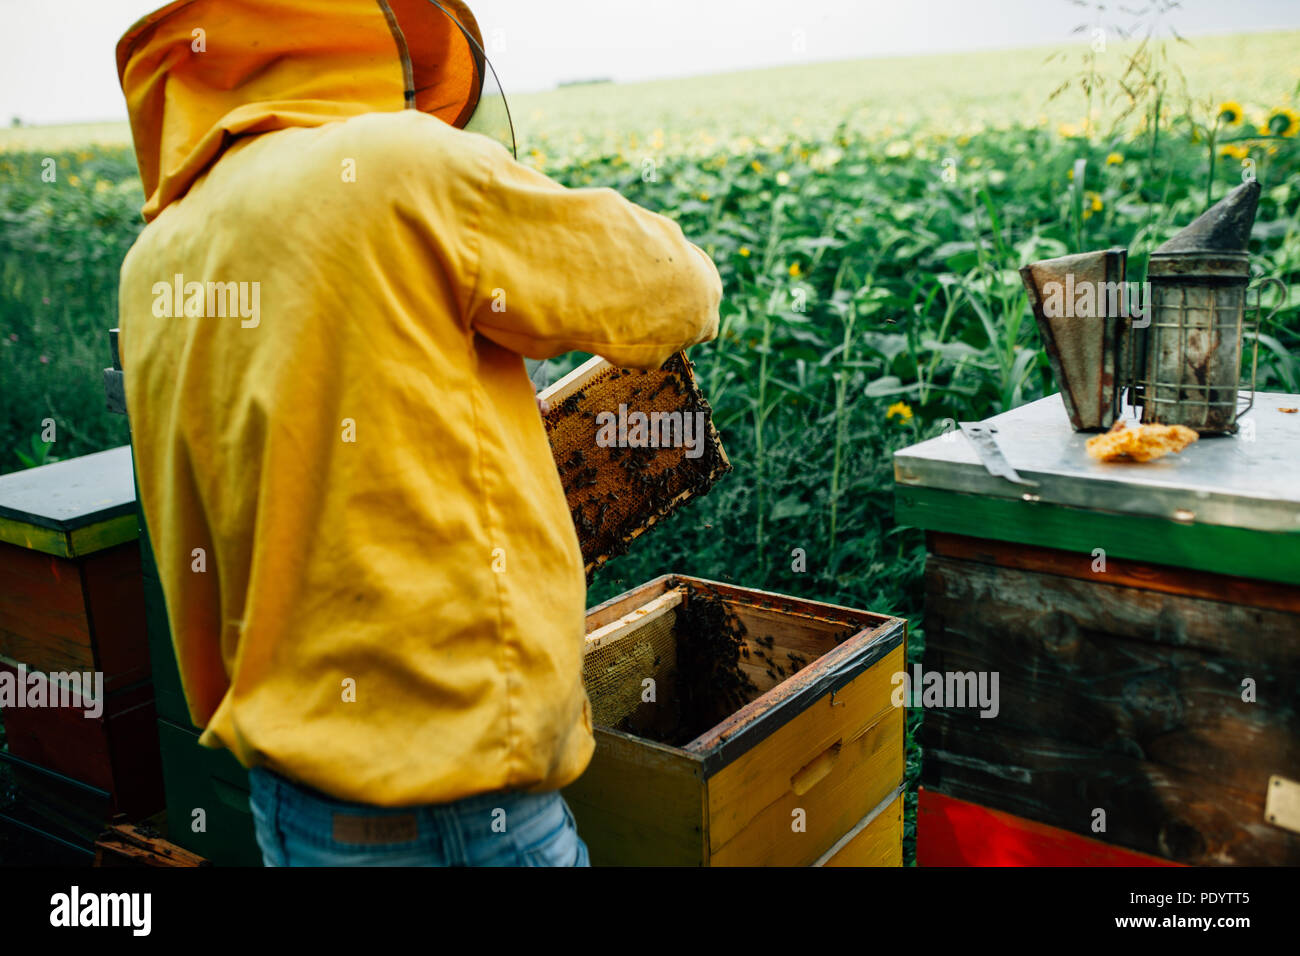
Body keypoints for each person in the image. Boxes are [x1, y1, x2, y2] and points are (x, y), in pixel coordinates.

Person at [115, 0, 721, 866]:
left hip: (289, 797)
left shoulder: (156, 258)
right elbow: (673, 292)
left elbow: (187, 537)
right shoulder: (398, 165)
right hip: (455, 801)